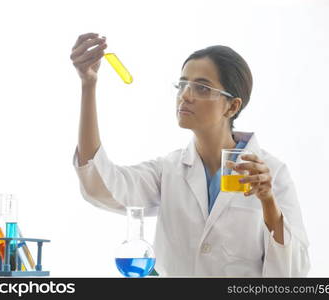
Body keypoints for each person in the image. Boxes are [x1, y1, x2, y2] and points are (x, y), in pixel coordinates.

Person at [70, 32, 310, 277]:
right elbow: (100, 185)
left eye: (201, 88)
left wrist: (268, 201)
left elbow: (294, 271)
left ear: (233, 106)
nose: (185, 95)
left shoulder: (272, 173)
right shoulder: (169, 170)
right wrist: (88, 86)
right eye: (182, 84)